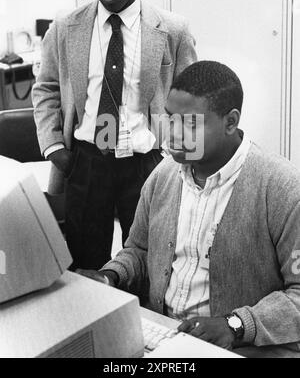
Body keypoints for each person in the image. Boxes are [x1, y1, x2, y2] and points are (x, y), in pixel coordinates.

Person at [77, 60, 300, 358]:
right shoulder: (163, 175)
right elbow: (140, 251)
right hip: (165, 333)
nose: (174, 133)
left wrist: (234, 325)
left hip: (243, 347)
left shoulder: (283, 188)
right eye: (170, 118)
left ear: (230, 122)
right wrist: (110, 277)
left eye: (191, 123)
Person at [32, 0, 196, 270]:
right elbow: (46, 88)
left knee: (148, 261)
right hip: (87, 161)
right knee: (84, 264)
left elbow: (191, 102)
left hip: (147, 163)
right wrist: (55, 150)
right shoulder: (66, 27)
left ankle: (146, 324)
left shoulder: (172, 29)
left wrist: (187, 165)